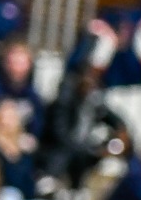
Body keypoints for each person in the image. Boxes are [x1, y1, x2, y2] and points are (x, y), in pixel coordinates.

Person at [39, 61, 126, 192]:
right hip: (58, 148)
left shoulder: (94, 102)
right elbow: (60, 134)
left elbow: (113, 118)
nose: (90, 84)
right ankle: (50, 182)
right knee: (69, 153)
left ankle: (78, 189)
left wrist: (121, 131)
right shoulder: (64, 102)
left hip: (83, 147)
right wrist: (87, 148)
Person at [0, 41, 45, 138]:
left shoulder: (33, 94)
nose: (16, 68)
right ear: (5, 63)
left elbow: (37, 125)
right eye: (13, 63)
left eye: (21, 63)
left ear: (29, 65)